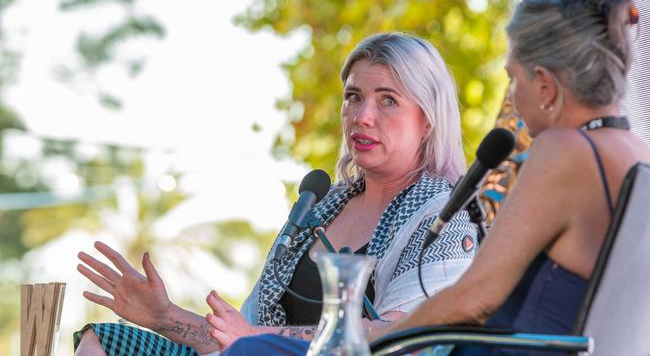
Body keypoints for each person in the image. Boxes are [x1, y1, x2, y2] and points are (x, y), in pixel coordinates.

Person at [73, 32, 478, 356]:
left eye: (388, 100)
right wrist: (164, 316)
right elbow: (237, 336)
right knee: (103, 343)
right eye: (354, 97)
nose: (362, 116)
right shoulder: (320, 207)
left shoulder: (444, 213)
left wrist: (258, 339)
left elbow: (405, 336)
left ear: (427, 120)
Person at [369, 0, 650, 355]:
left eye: (514, 79)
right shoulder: (638, 154)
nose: (513, 97)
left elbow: (472, 300)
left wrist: (373, 338)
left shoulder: (565, 151)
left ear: (546, 86)